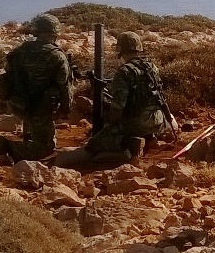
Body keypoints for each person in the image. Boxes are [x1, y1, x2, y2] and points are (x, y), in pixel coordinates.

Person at [56, 31, 176, 168]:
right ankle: (148, 138)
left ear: (121, 49)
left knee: (94, 145)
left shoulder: (124, 71)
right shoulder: (151, 67)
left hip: (136, 124)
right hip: (157, 120)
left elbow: (118, 106)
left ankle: (126, 150)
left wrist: (110, 126)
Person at [0, 13, 74, 161]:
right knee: (45, 150)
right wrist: (65, 109)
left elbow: (9, 73)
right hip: (40, 107)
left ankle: (28, 140)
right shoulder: (56, 55)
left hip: (18, 104)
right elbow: (64, 86)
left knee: (31, 126)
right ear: (55, 32)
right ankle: (6, 146)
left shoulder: (20, 50)